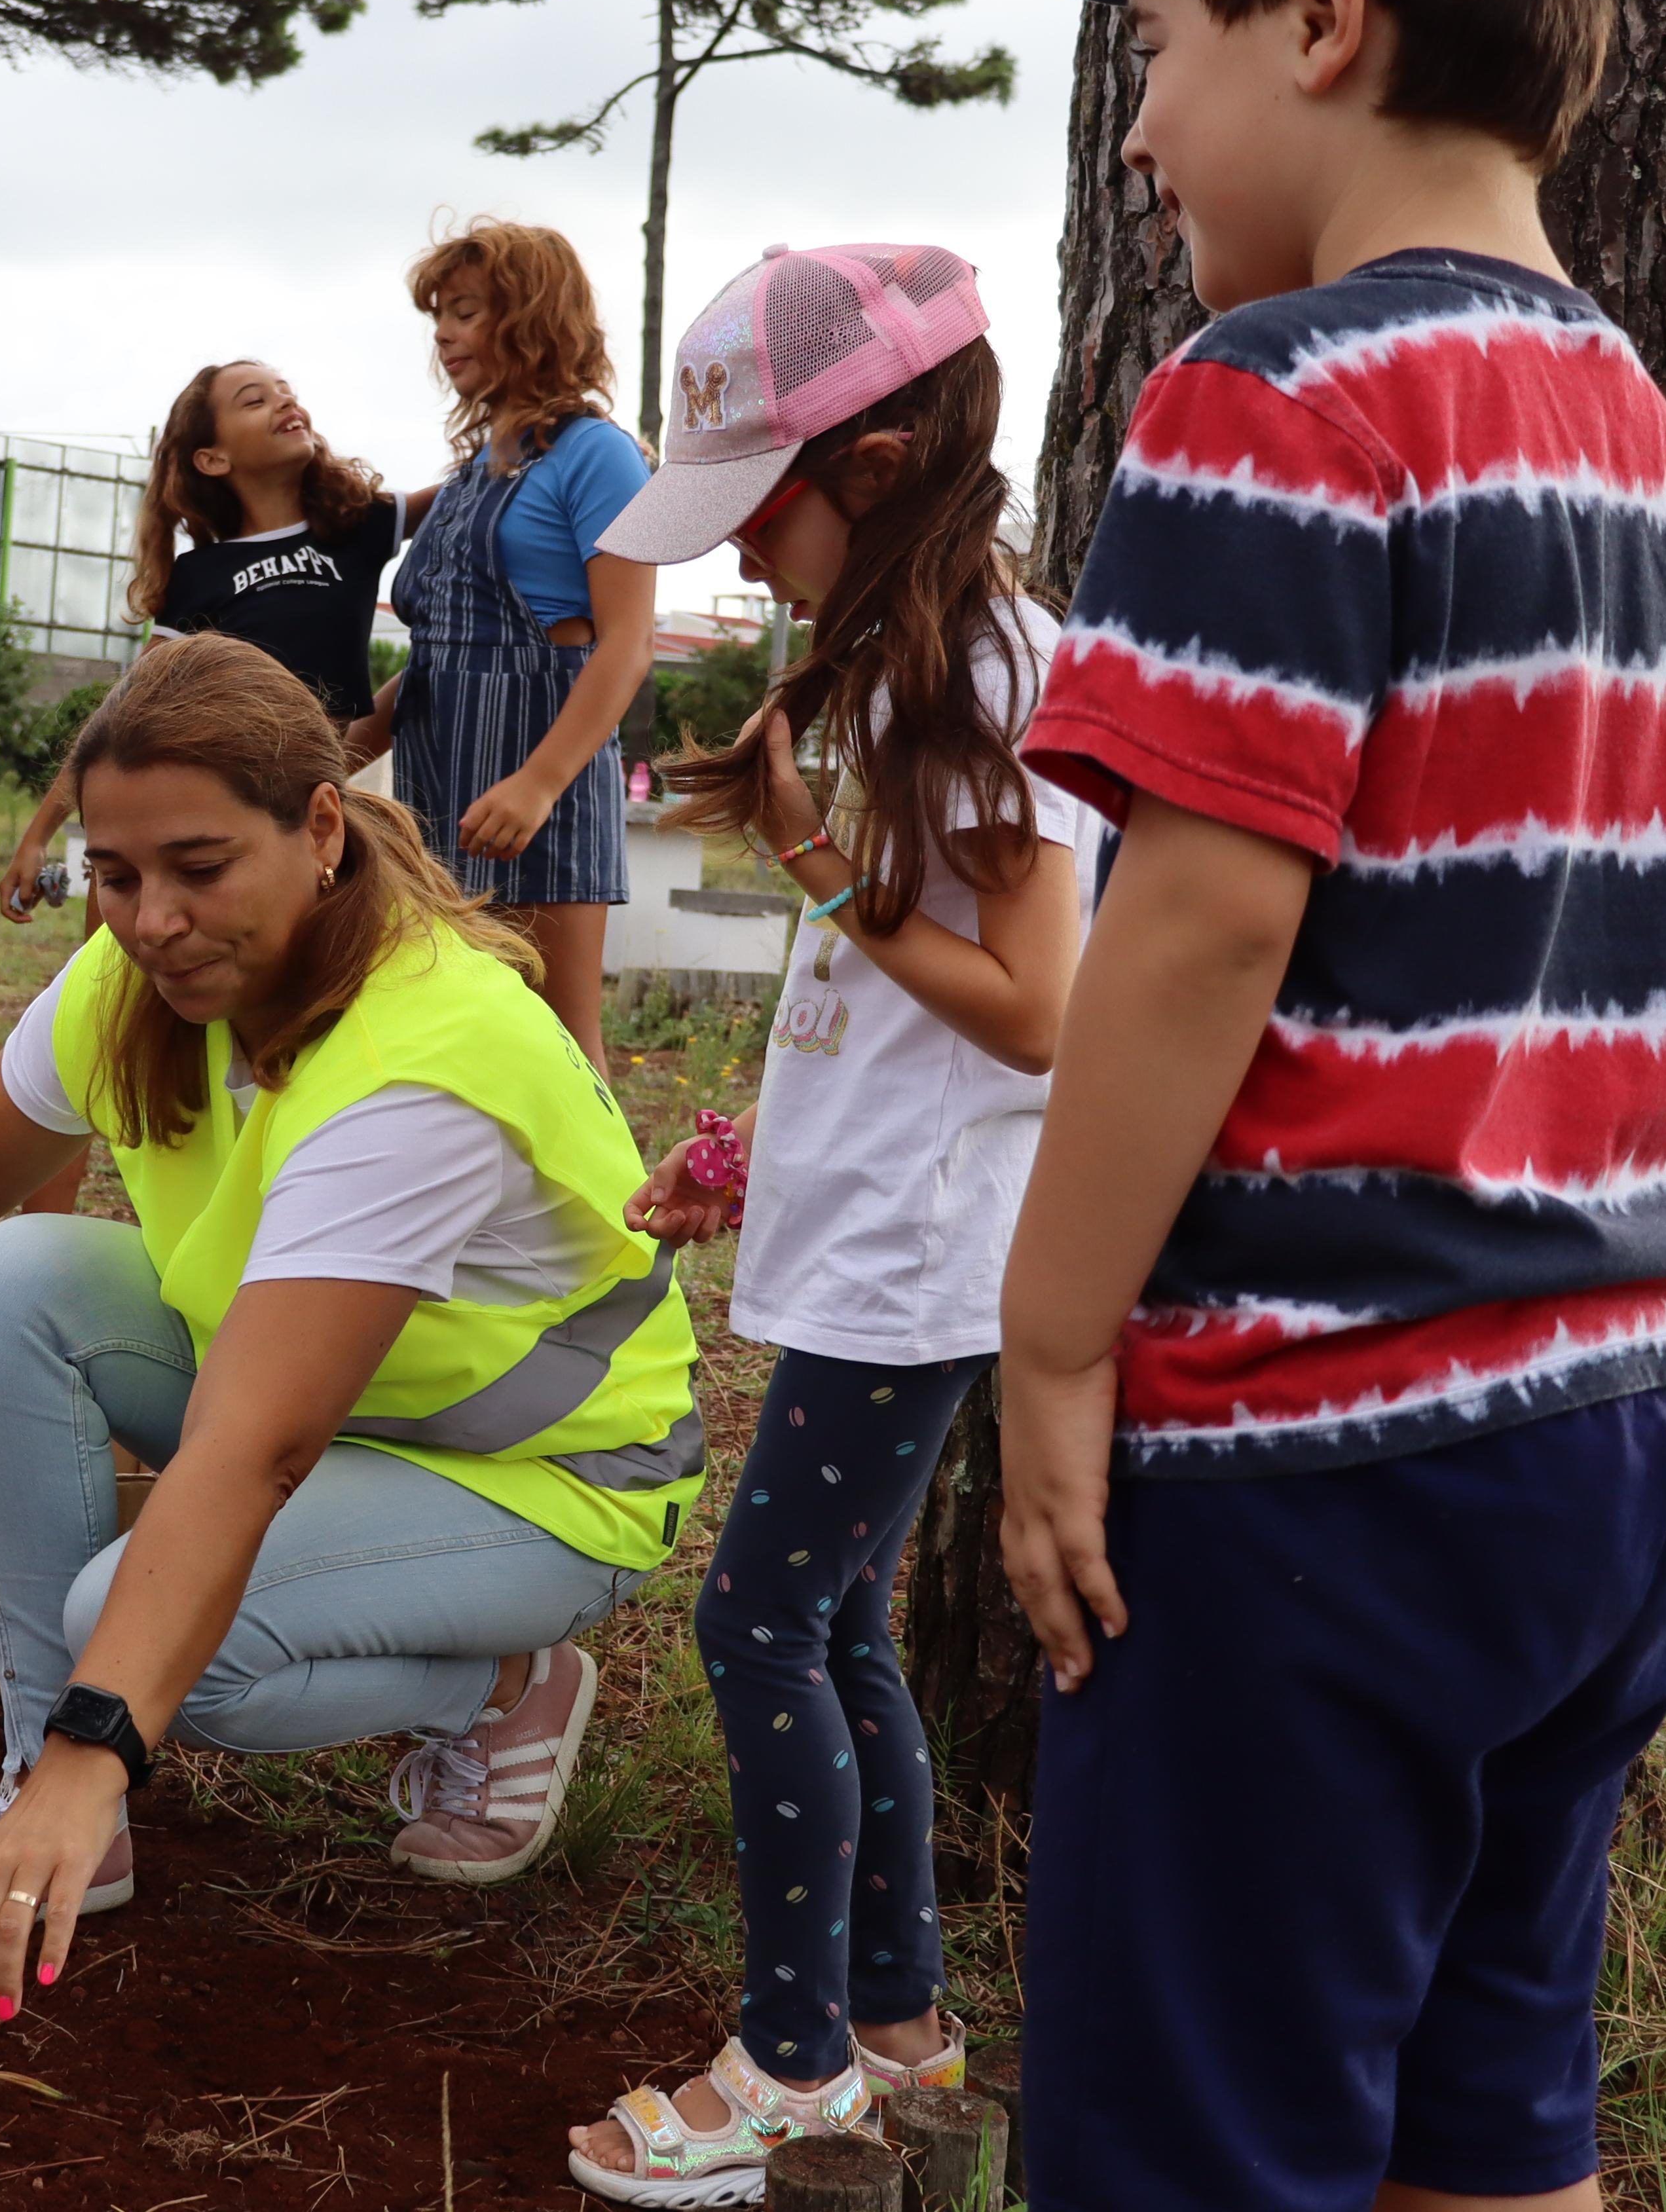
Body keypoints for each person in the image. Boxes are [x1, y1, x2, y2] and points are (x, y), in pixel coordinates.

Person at [988, 0, 1666, 2212]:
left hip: (1322, 1454)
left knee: (1195, 2138)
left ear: (1317, 12)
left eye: (1160, 44)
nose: (1137, 121)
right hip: (1621, 1420)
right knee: (1487, 2115)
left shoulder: (1266, 395)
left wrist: (1054, 1331)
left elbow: (1198, 918)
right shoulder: (1640, 433)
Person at [0, 633, 703, 2031]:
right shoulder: (144, 979)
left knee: (134, 1646)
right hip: (347, 1404)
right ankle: (35, 1790)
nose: (152, 919)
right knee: (17, 1274)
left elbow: (254, 1451)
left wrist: (109, 1744)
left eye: (200, 868)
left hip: (545, 1476)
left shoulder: (419, 1057)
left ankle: (500, 1680)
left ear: (319, 827)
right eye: (117, 873)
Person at [553, 245, 1092, 2203]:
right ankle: (894, 2021)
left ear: (866, 465)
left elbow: (1034, 1009)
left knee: (753, 1614)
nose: (741, 560)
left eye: (754, 509)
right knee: (836, 1616)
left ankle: (782, 2057)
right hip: (876, 1219)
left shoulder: (980, 671)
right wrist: (755, 1147)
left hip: (923, 1250)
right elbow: (902, 976)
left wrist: (805, 858)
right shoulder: (909, 666)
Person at [365, 221, 656, 1069]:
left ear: (531, 320)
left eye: (466, 312)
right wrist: (341, 744)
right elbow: (438, 655)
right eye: (438, 317)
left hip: (539, 794)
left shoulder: (595, 455)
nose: (445, 335)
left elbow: (627, 644)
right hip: (437, 791)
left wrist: (537, 785)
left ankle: (607, 1209)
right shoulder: (466, 473)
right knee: (457, 1047)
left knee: (555, 1049)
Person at [0, 359, 403, 919]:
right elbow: (123, 709)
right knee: (121, 953)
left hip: (308, 818)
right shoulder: (201, 575)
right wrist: (39, 835)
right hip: (203, 810)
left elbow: (474, 491)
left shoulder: (360, 529)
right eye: (255, 400)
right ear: (213, 459)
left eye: (287, 392)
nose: (286, 402)